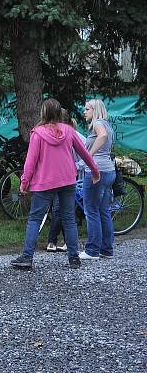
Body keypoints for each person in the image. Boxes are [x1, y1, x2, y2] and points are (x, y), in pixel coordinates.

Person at [10, 98, 100, 270]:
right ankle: (74, 258)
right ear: (59, 113)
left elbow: (31, 161)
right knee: (69, 219)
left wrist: (24, 182)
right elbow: (85, 153)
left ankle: (27, 257)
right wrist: (95, 171)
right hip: (67, 180)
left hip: (44, 182)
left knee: (35, 218)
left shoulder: (37, 133)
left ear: (43, 113)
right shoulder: (69, 130)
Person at [79, 98, 117, 260]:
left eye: (87, 109)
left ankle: (92, 250)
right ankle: (106, 250)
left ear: (95, 110)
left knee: (91, 210)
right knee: (103, 210)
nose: (84, 112)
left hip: (96, 172)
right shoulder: (108, 124)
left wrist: (89, 155)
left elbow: (102, 136)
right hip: (109, 171)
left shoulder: (98, 124)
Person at [45, 109, 84, 251]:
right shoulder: (52, 135)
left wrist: (75, 166)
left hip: (73, 179)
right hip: (61, 178)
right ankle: (56, 242)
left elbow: (86, 156)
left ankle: (64, 243)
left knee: (65, 211)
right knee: (61, 210)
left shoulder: (75, 135)